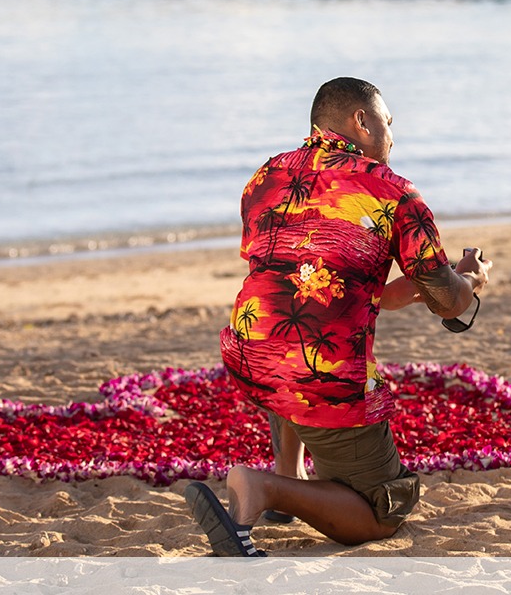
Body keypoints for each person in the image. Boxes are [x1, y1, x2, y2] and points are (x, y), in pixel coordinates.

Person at [186, 77, 492, 556]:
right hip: (319, 374)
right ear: (361, 121)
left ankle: (288, 475)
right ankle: (265, 488)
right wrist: (469, 280)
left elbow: (324, 280)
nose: (392, 137)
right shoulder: (393, 192)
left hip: (251, 349)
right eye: (388, 124)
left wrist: (403, 290)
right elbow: (448, 302)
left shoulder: (265, 176)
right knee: (381, 512)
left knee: (292, 325)